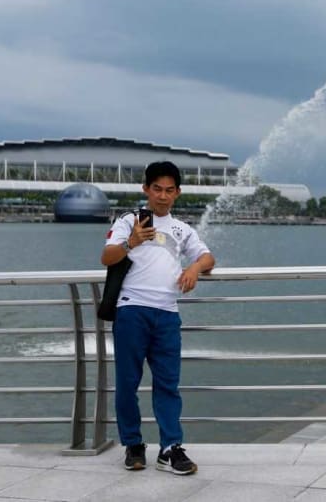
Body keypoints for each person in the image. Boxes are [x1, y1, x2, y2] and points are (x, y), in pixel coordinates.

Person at [101, 160, 215, 475]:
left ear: (177, 193)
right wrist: (132, 241)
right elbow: (106, 257)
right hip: (131, 309)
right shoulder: (129, 220)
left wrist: (193, 268)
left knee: (168, 384)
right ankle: (133, 444)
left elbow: (208, 257)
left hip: (167, 314)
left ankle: (170, 448)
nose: (162, 197)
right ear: (146, 189)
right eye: (157, 189)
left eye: (169, 190)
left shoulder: (182, 228)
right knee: (127, 382)